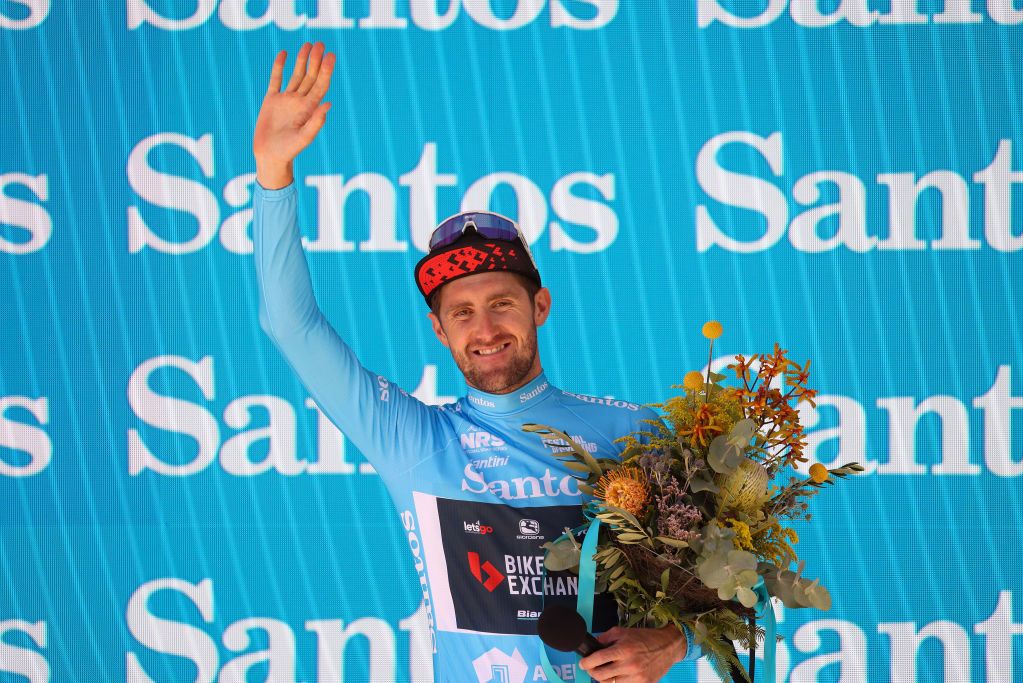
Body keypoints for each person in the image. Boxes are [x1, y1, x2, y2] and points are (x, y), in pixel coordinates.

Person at [252, 41, 703, 683]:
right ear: (438, 330)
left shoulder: (632, 433)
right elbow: (288, 325)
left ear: (539, 306)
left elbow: (737, 592)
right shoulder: (410, 439)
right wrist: (273, 174)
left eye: (501, 303)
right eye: (461, 313)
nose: (485, 329)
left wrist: (673, 642)